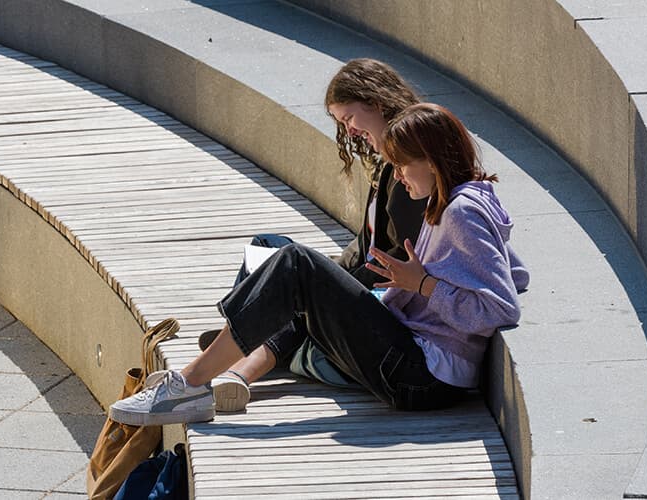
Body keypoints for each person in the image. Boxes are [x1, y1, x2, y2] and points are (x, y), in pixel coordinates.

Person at [109, 103, 529, 425]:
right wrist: (409, 286)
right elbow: (514, 271)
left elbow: (500, 307)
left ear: (433, 160)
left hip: (422, 376)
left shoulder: (461, 212)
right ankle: (226, 363)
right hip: (416, 360)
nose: (398, 176)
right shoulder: (463, 200)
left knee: (295, 265)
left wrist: (423, 286)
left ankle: (190, 385)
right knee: (291, 269)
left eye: (402, 165)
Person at [202, 58, 429, 412]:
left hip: (382, 309)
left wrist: (327, 284)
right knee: (267, 246)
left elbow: (390, 262)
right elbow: (363, 246)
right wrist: (331, 272)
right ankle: (253, 335)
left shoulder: (408, 174)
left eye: (350, 119)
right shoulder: (389, 164)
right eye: (342, 123)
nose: (350, 132)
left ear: (376, 103)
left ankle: (246, 361)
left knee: (295, 276)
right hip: (362, 281)